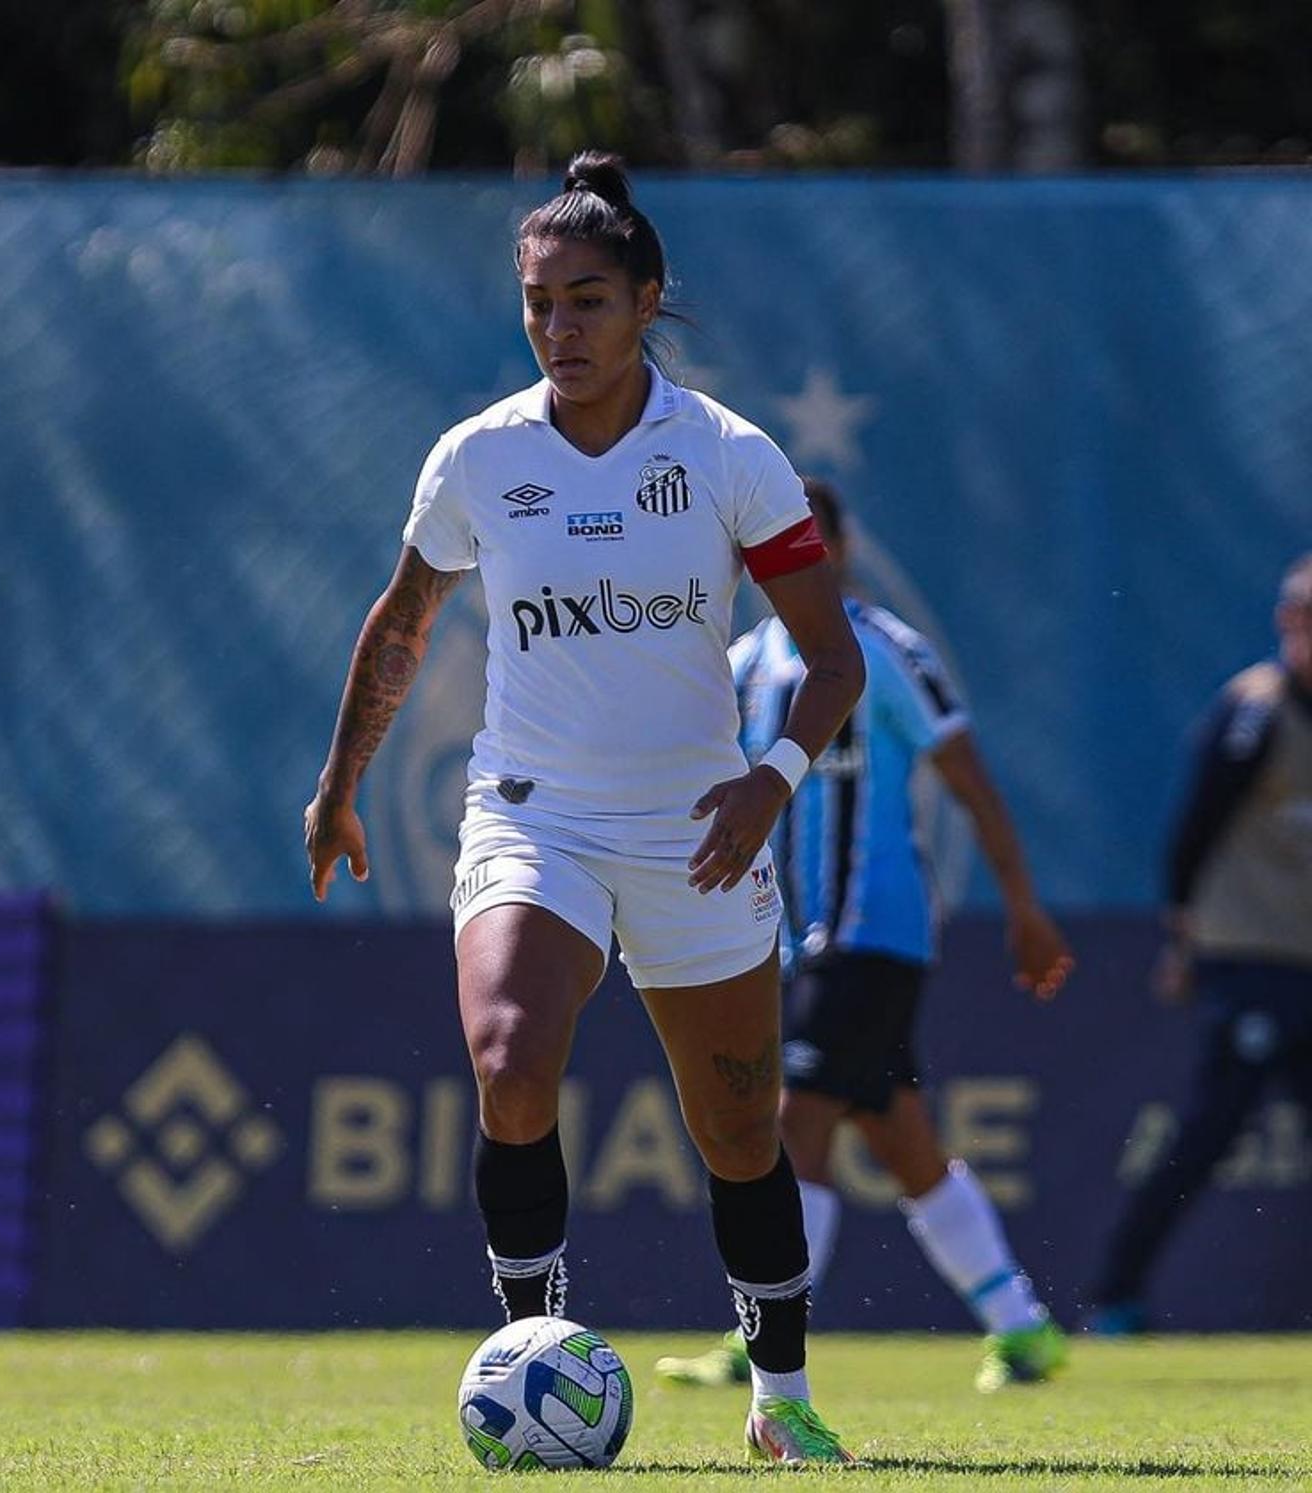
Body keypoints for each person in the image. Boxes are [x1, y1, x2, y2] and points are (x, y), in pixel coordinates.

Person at [304, 152, 866, 1466]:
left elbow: (833, 660)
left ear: (649, 300)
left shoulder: (729, 455)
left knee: (737, 1127)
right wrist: (339, 786)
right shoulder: (480, 457)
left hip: (700, 833)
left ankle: (781, 1402)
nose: (560, 327)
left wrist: (767, 783)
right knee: (508, 1063)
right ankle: (532, 1364)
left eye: (589, 300)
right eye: (539, 303)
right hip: (531, 815)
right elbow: (401, 624)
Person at [653, 479, 1075, 1395]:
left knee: (791, 1124)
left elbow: (969, 777)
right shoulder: (750, 659)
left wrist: (1024, 906)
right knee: (899, 1135)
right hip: (798, 942)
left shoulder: (884, 652)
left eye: (807, 540)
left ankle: (761, 1341)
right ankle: (1022, 1325)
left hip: (872, 933)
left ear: (839, 550)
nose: (787, 557)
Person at [1084, 553, 1312, 1334]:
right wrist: (1183, 933)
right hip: (1248, 951)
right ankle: (1116, 1291)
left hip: (1307, 956)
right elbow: (1192, 831)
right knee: (1210, 1129)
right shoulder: (1255, 711)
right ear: (1288, 624)